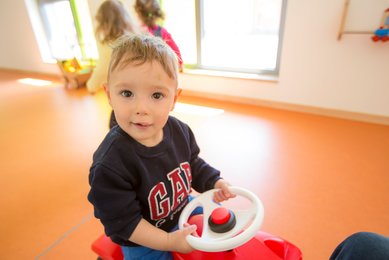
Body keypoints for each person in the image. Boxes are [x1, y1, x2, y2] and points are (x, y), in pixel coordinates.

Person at [87, 34, 235, 260]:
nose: (141, 108)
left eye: (157, 95)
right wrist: (167, 241)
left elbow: (192, 163)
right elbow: (124, 223)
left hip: (182, 206)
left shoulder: (179, 131)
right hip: (142, 238)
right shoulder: (109, 165)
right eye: (127, 93)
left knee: (225, 220)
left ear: (174, 99)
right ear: (109, 95)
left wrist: (214, 181)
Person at [86, 0, 140, 94]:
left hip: (126, 95)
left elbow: (101, 70)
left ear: (103, 22)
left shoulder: (109, 47)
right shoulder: (138, 39)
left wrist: (91, 86)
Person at [134, 0, 183, 72]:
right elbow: (177, 56)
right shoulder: (162, 32)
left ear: (138, 14)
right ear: (157, 14)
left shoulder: (136, 32)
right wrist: (179, 64)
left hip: (141, 73)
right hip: (159, 73)